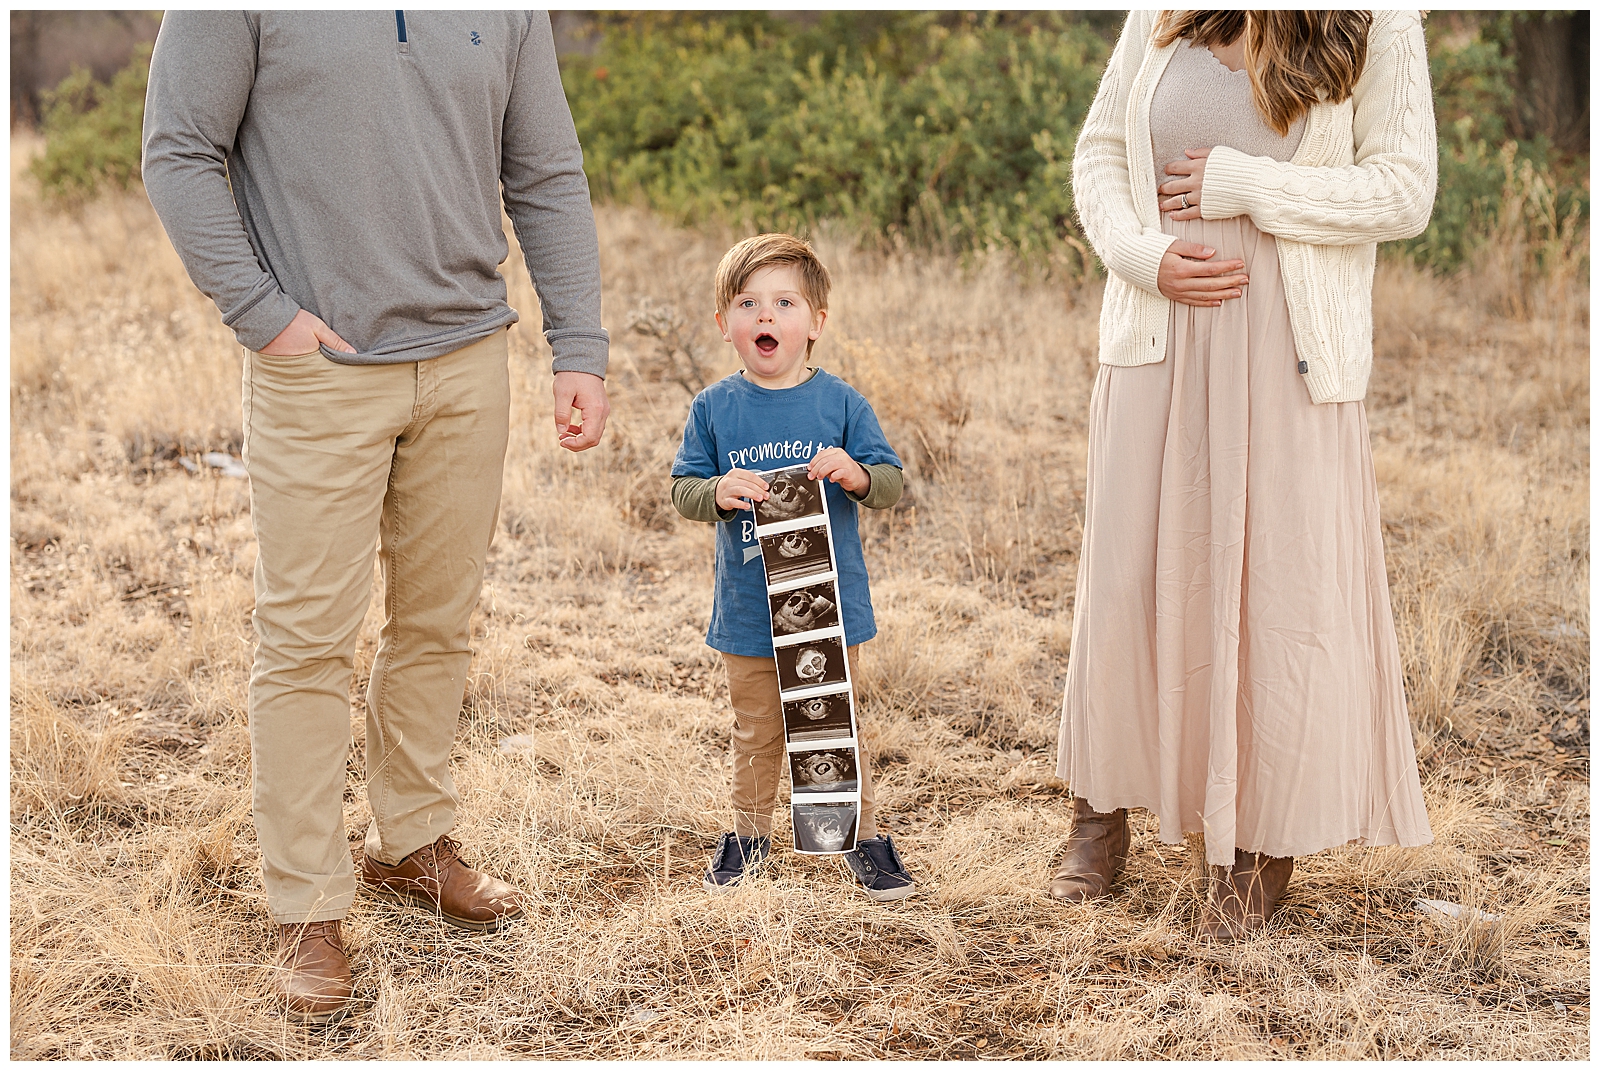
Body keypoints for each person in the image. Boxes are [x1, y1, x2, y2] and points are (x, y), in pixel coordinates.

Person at [141, 11, 610, 1021]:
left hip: (468, 358)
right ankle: (307, 908)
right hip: (319, 370)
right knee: (307, 641)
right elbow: (178, 148)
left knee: (438, 625)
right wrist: (263, 316)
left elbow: (545, 172)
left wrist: (579, 345)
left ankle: (410, 843)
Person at [1053, 10, 1437, 940]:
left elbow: (1404, 192)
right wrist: (1144, 258)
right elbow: (1100, 152)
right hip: (1157, 327)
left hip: (1289, 345)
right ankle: (1101, 804)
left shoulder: (1379, 19)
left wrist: (1249, 186)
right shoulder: (1164, 9)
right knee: (1129, 575)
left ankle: (1260, 842)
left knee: (1279, 589)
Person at [670, 233, 917, 901]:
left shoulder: (840, 404)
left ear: (816, 323)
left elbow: (892, 481)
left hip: (830, 606)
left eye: (785, 302)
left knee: (832, 721)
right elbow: (683, 488)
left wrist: (859, 474)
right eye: (748, 303)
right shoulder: (714, 408)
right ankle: (748, 838)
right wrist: (717, 491)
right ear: (725, 325)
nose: (766, 316)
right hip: (751, 611)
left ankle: (858, 840)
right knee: (756, 729)